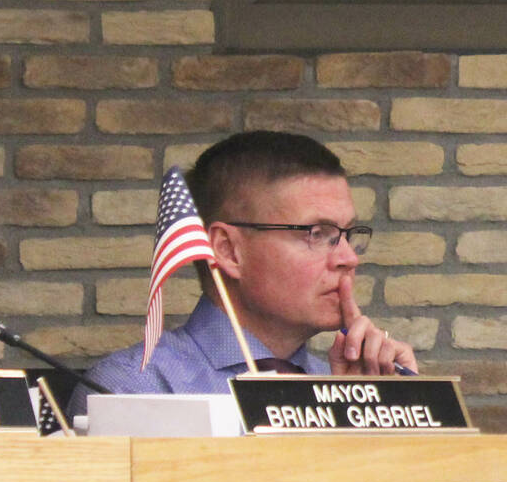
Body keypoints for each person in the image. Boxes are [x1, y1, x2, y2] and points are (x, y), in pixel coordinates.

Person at [84, 131, 417, 403]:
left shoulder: (346, 383)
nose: (348, 258)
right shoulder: (137, 388)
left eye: (348, 235)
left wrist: (385, 410)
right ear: (228, 251)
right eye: (318, 234)